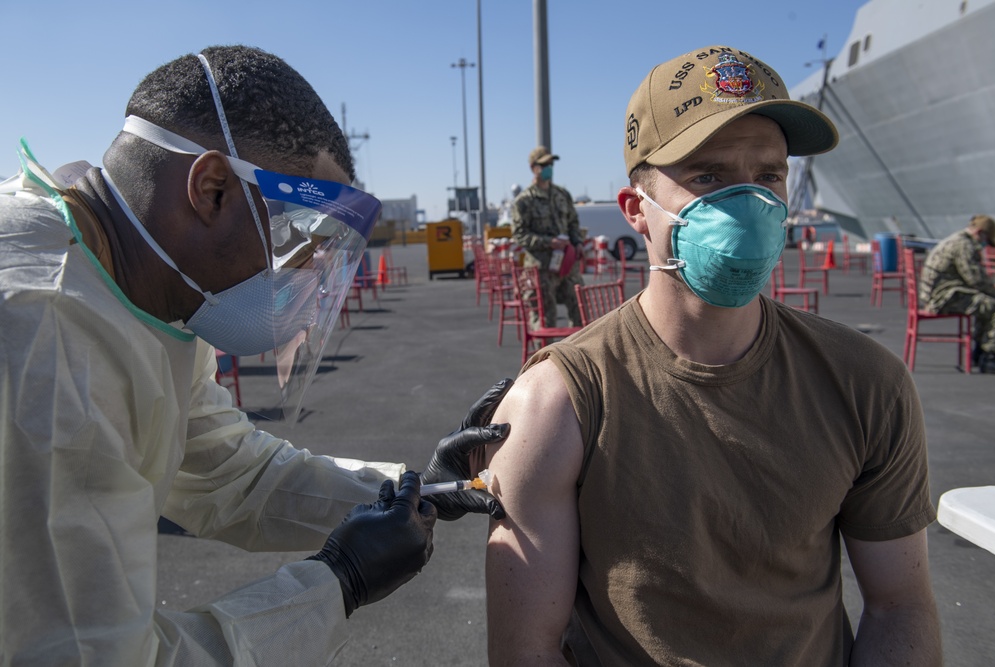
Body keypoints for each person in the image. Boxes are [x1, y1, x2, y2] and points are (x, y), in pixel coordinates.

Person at [0, 45, 513, 665]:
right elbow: (89, 656)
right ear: (212, 189)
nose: (305, 268)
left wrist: (409, 490)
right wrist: (337, 582)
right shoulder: (44, 336)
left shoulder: (146, 295)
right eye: (296, 232)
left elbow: (231, 472)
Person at [482, 46, 942, 666]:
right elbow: (527, 650)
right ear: (637, 211)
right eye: (708, 177)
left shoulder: (866, 383)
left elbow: (899, 605)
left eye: (769, 175)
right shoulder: (555, 405)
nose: (748, 204)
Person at [511, 146, 584, 328]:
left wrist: (577, 243)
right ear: (533, 168)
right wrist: (549, 242)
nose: (548, 169)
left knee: (580, 311)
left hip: (567, 264)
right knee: (544, 319)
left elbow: (573, 222)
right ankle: (543, 348)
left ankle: (576, 347)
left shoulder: (562, 195)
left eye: (551, 164)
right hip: (541, 268)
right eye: (544, 165)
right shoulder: (524, 201)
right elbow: (519, 234)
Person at [918, 214, 995, 373]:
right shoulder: (964, 245)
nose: (984, 245)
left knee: (986, 305)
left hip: (939, 295)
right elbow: (976, 279)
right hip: (945, 297)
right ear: (980, 232)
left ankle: (980, 353)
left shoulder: (956, 239)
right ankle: (991, 357)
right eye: (986, 240)